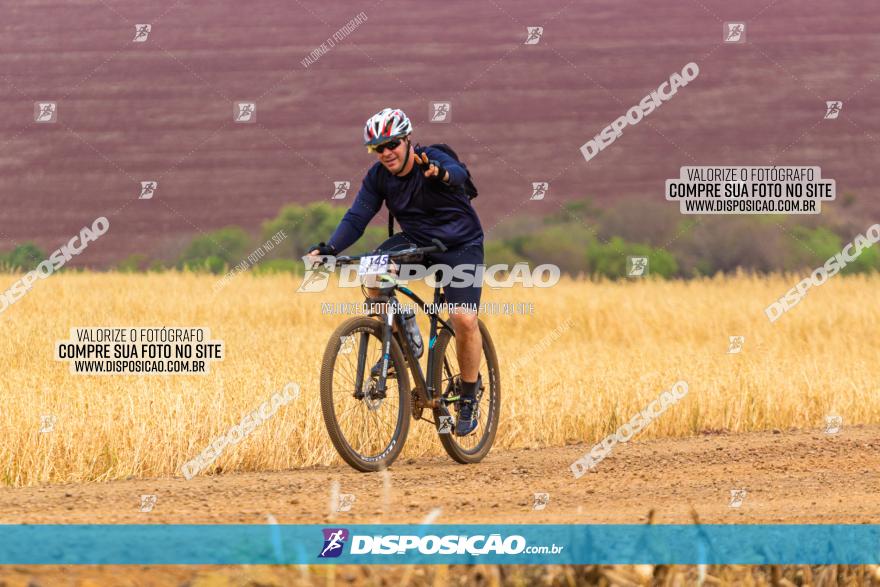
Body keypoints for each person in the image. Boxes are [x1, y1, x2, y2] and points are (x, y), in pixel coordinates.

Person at [307, 107, 484, 436]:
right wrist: (330, 248)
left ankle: (470, 396)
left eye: (392, 144)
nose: (386, 152)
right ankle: (406, 337)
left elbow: (456, 173)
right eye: (378, 148)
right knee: (372, 273)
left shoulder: (430, 159)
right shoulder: (378, 177)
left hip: (460, 245)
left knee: (462, 319)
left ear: (407, 141)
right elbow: (357, 217)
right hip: (417, 242)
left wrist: (439, 173)